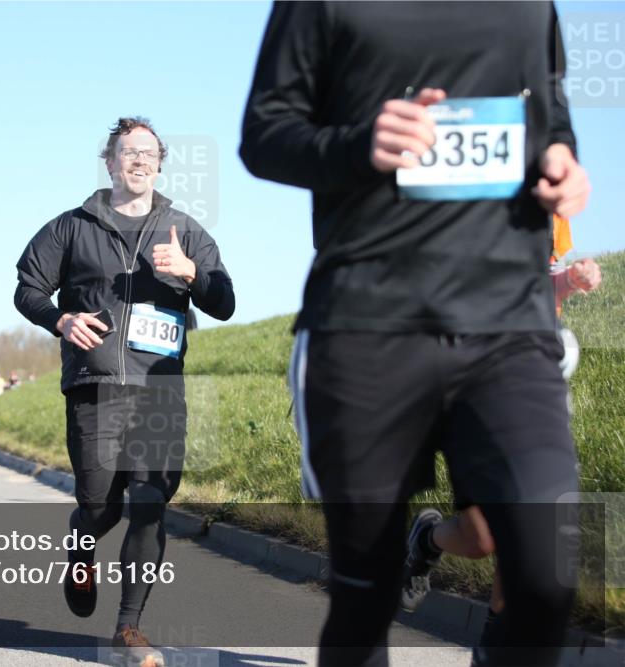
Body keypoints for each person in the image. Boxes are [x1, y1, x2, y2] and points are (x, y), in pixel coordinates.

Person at [240, 4, 590, 665]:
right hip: (368, 324)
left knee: (547, 569)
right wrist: (358, 142)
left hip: (508, 322)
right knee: (364, 599)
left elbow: (550, 106)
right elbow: (264, 133)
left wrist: (562, 158)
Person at [14, 116, 235, 666]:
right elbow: (28, 289)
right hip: (96, 386)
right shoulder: (71, 226)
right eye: (127, 151)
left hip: (159, 390)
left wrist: (190, 274)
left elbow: (225, 301)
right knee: (100, 505)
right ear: (109, 162)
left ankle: (128, 627)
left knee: (149, 503)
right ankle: (82, 543)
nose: (138, 160)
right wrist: (60, 320)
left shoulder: (186, 230)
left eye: (148, 152)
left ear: (159, 164)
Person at [400, 250, 603, 664]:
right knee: (482, 540)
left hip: (535, 395)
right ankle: (426, 538)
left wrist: (569, 280)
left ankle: (494, 644)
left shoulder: (536, 210)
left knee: (527, 536)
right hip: (471, 395)